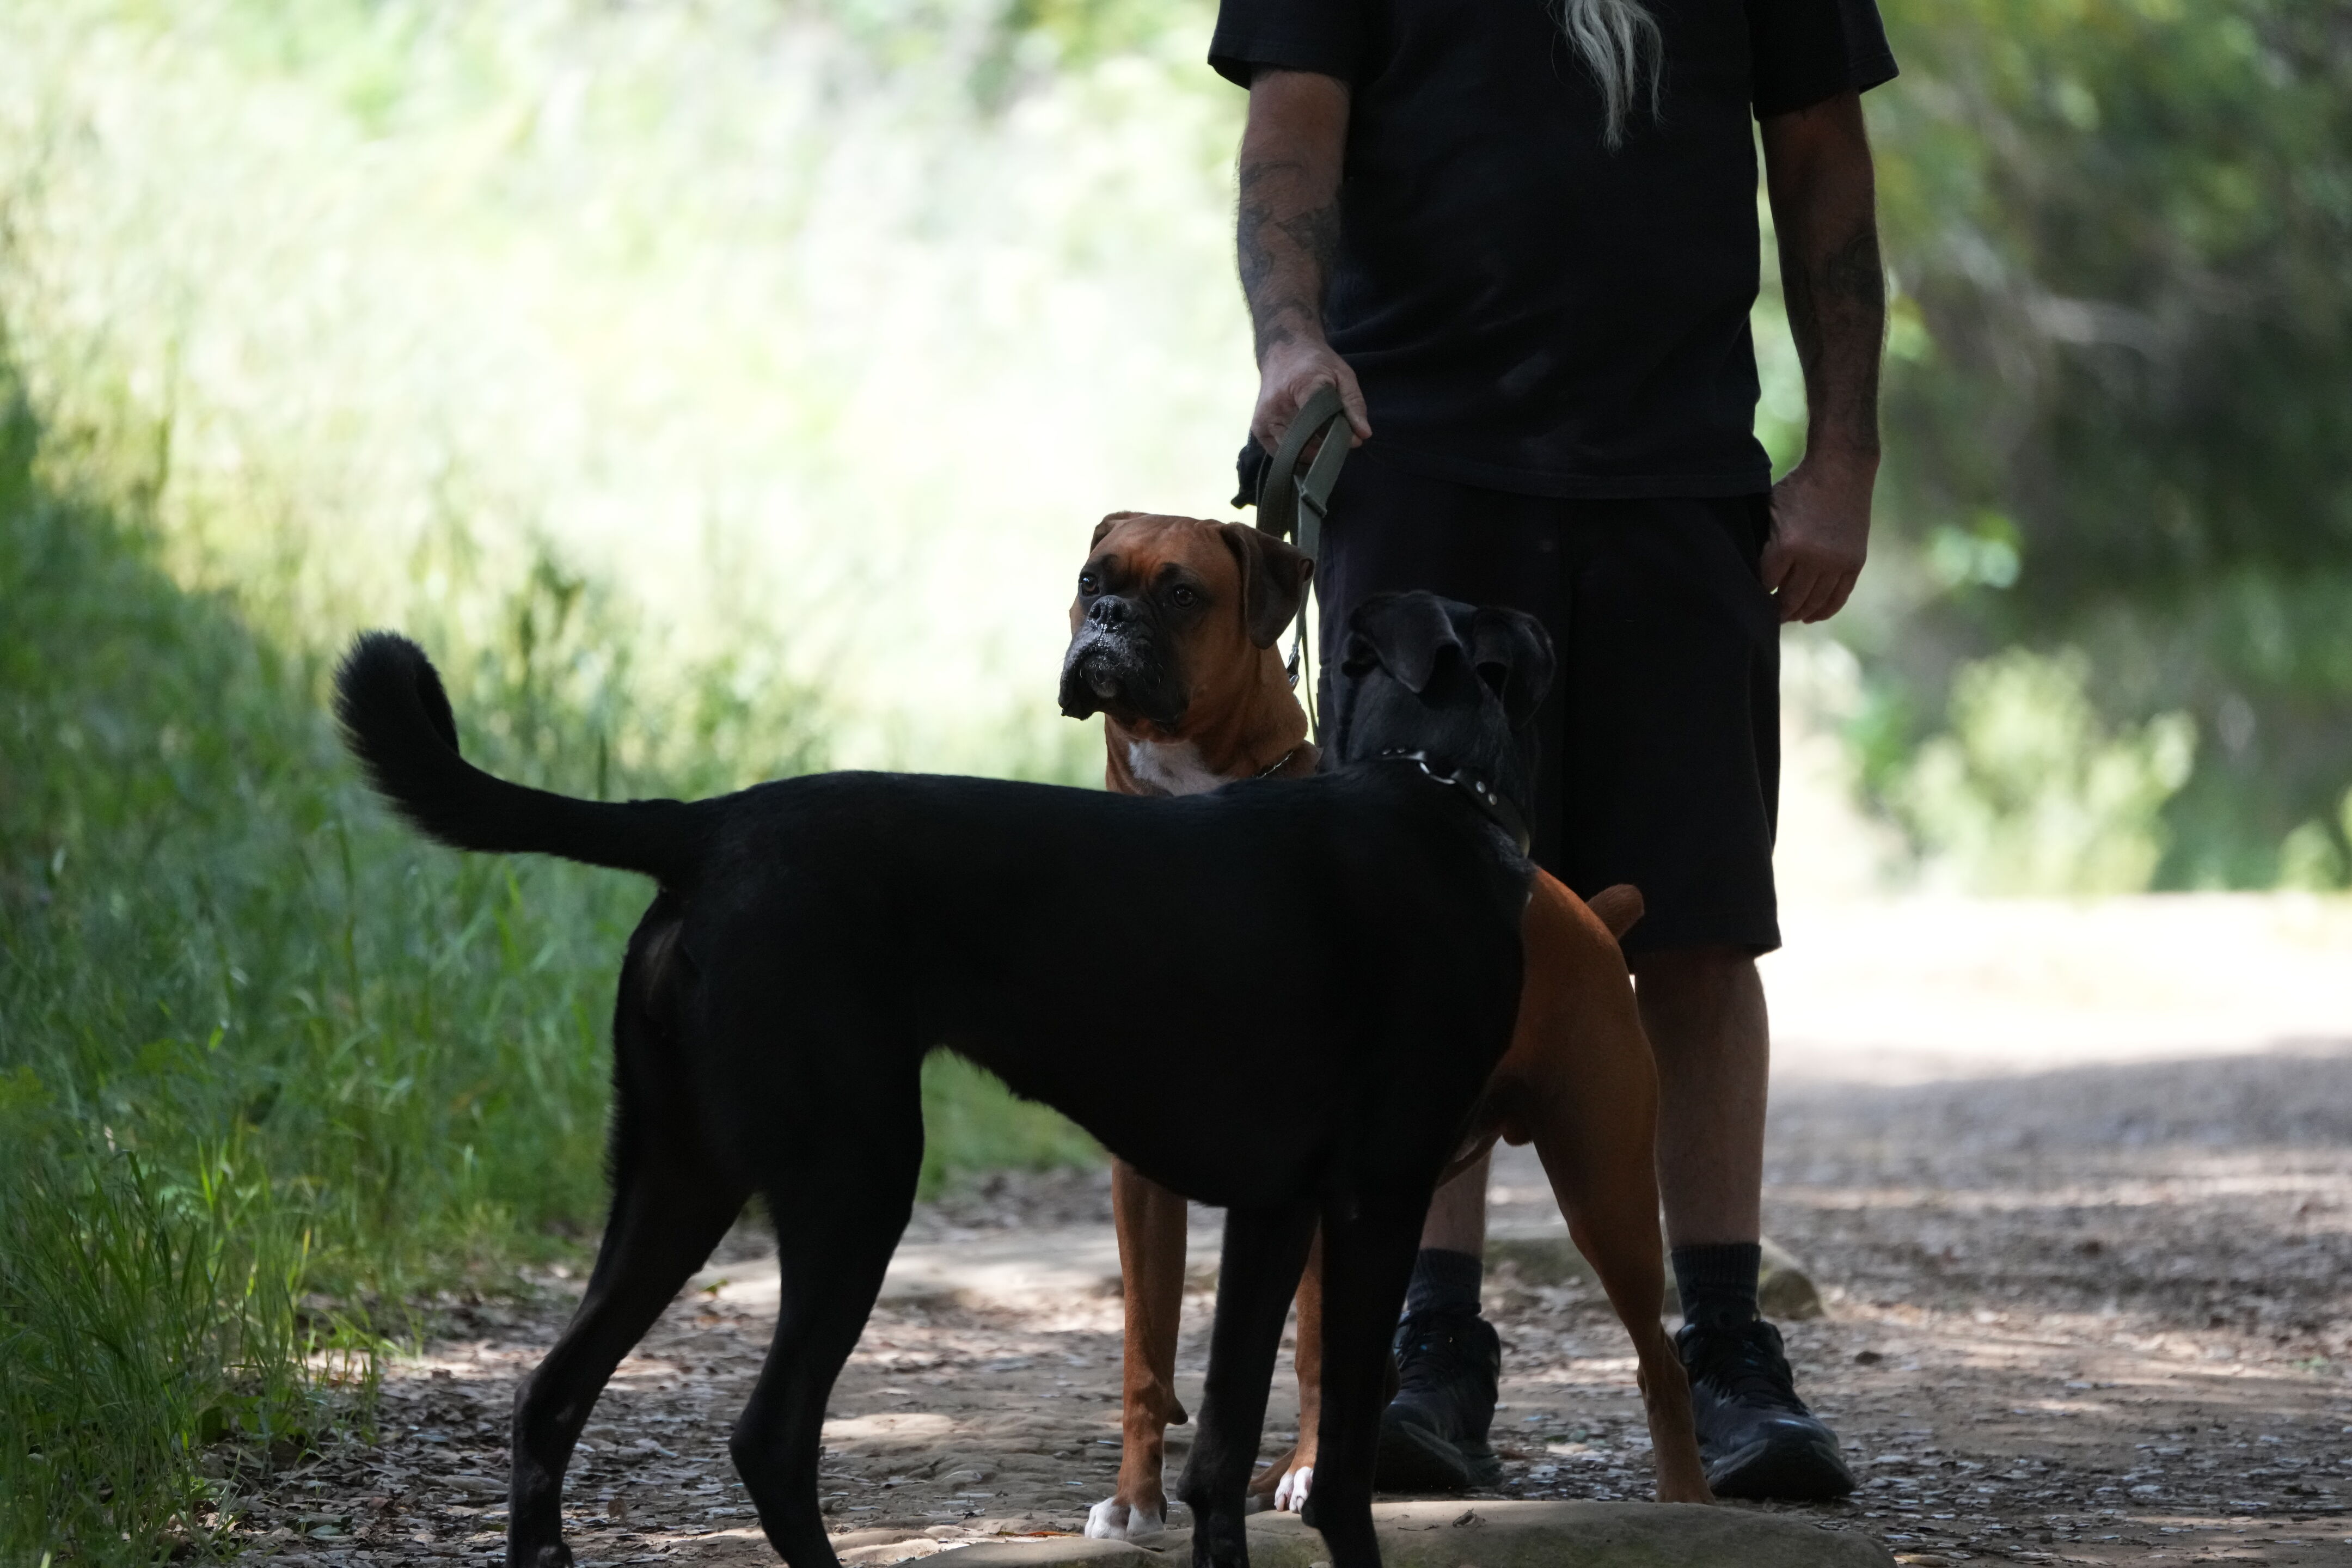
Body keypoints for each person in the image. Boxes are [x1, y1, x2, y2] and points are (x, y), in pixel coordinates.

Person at [1211, 0, 1896, 1503]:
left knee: (1703, 926)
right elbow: (1289, 138)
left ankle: (1728, 1355)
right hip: (1417, 459)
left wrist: (1843, 455)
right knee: (1421, 926)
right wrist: (1291, 337)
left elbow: (1825, 168)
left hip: (1680, 479)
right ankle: (1426, 1354)